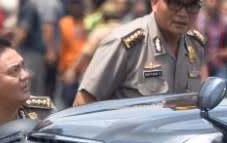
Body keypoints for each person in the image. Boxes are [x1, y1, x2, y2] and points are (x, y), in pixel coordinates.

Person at [73, 0, 207, 105]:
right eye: (174, 3)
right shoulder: (125, 44)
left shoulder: (195, 45)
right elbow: (83, 103)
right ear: (155, 3)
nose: (183, 14)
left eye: (193, 5)